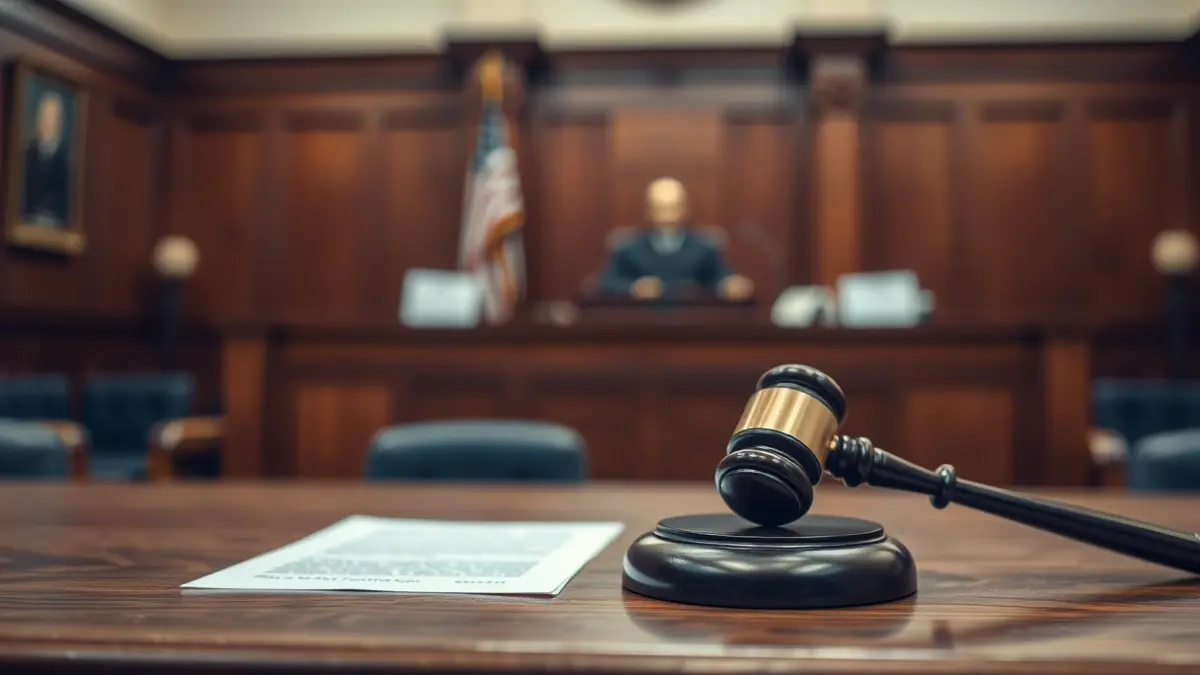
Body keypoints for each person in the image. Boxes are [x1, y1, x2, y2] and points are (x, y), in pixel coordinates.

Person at [597, 177, 754, 301]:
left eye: (673, 207)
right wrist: (634, 288)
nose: (667, 215)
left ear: (685, 209)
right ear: (648, 210)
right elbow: (606, 283)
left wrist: (730, 285)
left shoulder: (705, 246)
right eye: (660, 208)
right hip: (641, 325)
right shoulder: (628, 247)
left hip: (695, 325)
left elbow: (721, 278)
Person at [22, 91, 70, 227]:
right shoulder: (29, 152)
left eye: (51, 115)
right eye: (45, 115)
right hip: (28, 219)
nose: (47, 120)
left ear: (58, 119)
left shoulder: (64, 157)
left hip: (54, 222)